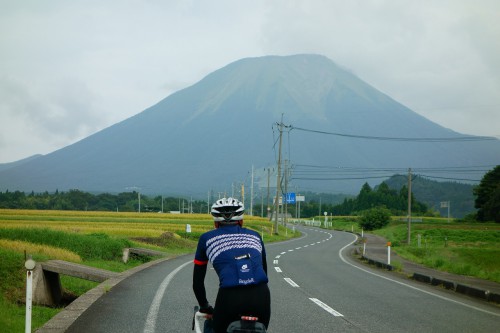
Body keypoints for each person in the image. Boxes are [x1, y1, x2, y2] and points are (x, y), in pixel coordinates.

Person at [193, 197, 271, 333]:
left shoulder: (206, 239)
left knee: (214, 328)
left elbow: (197, 283)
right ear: (241, 221)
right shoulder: (256, 236)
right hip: (261, 294)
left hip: (229, 296)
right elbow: (264, 271)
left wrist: (204, 306)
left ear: (216, 223)